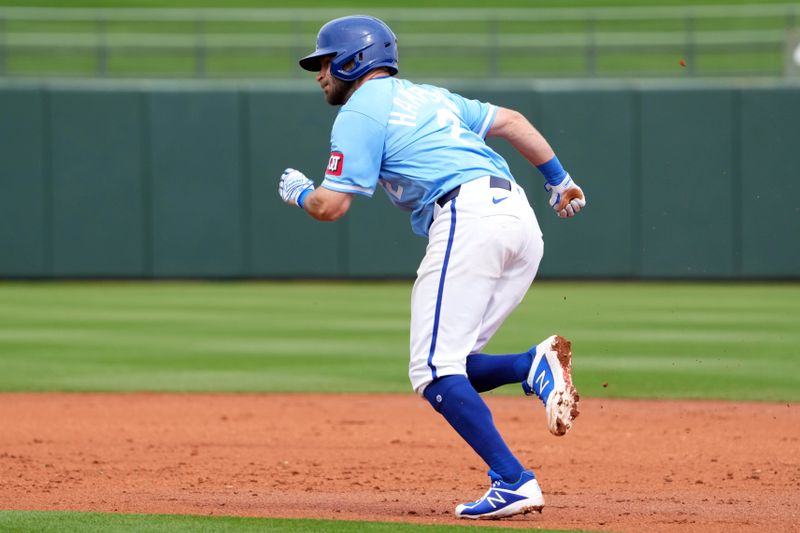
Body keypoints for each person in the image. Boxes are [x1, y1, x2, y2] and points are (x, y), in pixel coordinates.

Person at [278, 15, 585, 519]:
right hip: (520, 221)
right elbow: (510, 121)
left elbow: (330, 206)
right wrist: (559, 179)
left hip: (467, 215)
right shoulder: (430, 97)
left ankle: (513, 480)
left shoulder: (359, 113)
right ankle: (530, 365)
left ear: (356, 59)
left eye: (326, 61)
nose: (319, 72)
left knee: (432, 370)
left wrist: (298, 193)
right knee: (454, 365)